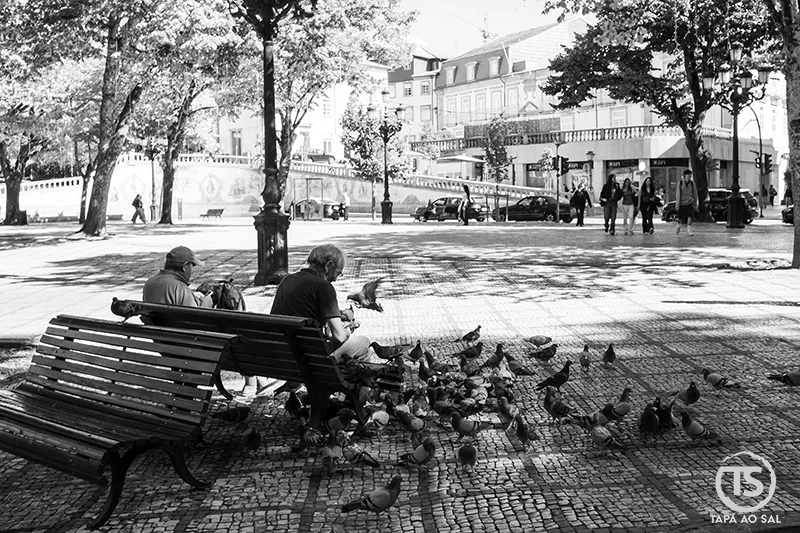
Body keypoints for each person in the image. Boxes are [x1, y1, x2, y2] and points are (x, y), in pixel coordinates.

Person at [271, 244, 376, 364]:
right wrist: (348, 331)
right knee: (363, 342)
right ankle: (352, 375)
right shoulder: (323, 286)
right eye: (338, 273)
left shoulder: (287, 280)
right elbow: (339, 336)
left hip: (280, 353)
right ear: (328, 265)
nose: (335, 279)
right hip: (309, 360)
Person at [143, 246, 213, 307]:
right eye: (193, 266)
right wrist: (206, 305)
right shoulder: (181, 289)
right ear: (185, 266)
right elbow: (194, 316)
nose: (192, 270)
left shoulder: (150, 282)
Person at [675, 169, 699, 236]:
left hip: (689, 202)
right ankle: (678, 227)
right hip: (681, 203)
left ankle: (689, 229)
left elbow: (695, 194)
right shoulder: (680, 183)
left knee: (690, 216)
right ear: (684, 175)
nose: (689, 176)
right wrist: (677, 205)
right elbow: (678, 194)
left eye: (690, 175)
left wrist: (696, 204)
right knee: (680, 218)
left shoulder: (692, 184)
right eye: (688, 174)